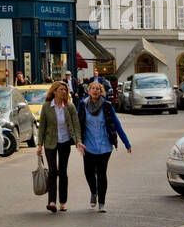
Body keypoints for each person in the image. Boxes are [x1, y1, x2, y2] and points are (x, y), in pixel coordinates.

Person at [77, 80, 131, 210]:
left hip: (104, 145)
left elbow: (116, 124)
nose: (95, 91)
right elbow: (78, 125)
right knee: (89, 173)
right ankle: (93, 192)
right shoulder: (83, 105)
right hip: (88, 145)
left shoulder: (107, 106)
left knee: (101, 174)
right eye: (93, 88)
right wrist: (77, 141)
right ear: (88, 91)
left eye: (98, 89)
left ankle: (102, 202)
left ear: (101, 92)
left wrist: (126, 142)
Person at [36, 81, 83, 213]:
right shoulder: (46, 106)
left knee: (62, 171)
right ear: (54, 91)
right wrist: (39, 145)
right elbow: (42, 127)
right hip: (50, 142)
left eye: (65, 90)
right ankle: (51, 202)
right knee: (52, 171)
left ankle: (63, 202)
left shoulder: (70, 107)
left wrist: (78, 141)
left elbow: (76, 125)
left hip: (65, 142)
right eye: (61, 89)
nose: (64, 92)